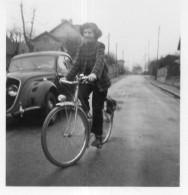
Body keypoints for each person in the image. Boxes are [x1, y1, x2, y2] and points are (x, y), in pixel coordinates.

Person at [65, 22, 111, 148]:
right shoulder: (81, 47)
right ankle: (87, 116)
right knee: (80, 94)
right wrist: (66, 78)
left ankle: (99, 137)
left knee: (97, 108)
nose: (87, 35)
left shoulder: (100, 46)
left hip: (99, 81)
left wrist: (94, 74)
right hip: (87, 79)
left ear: (95, 34)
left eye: (90, 32)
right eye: (85, 32)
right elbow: (76, 65)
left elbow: (99, 61)